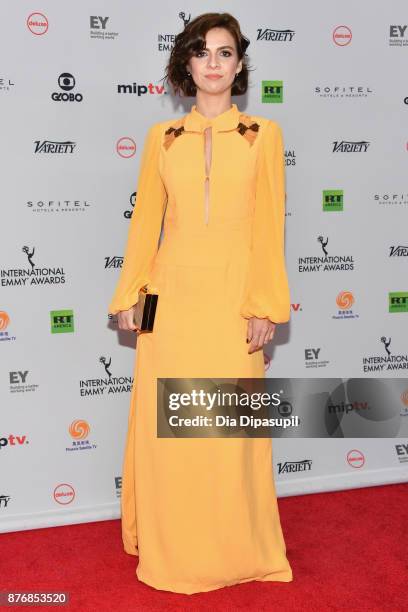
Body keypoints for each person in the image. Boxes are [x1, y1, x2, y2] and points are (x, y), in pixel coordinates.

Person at [108, 12, 293, 594]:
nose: (214, 62)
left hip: (235, 294)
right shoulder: (161, 139)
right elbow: (145, 225)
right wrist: (128, 295)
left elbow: (270, 226)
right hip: (168, 295)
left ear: (239, 65)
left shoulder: (263, 134)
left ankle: (237, 549)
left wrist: (264, 304)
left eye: (225, 52)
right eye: (202, 52)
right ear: (185, 65)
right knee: (170, 426)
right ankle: (175, 548)